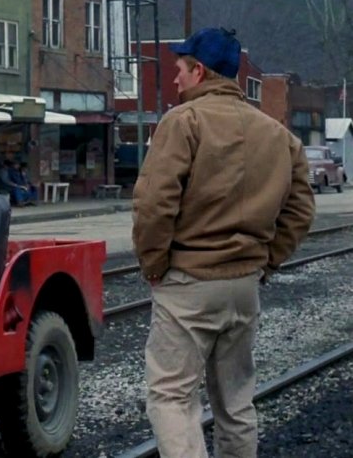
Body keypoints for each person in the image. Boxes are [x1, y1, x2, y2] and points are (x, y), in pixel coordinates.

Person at [132, 27, 315, 458]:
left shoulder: (183, 122)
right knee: (235, 403)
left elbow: (155, 203)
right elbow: (301, 209)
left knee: (172, 398)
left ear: (199, 70)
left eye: (179, 69)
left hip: (189, 282)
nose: (174, 80)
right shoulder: (278, 135)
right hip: (244, 285)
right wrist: (267, 262)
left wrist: (154, 266)